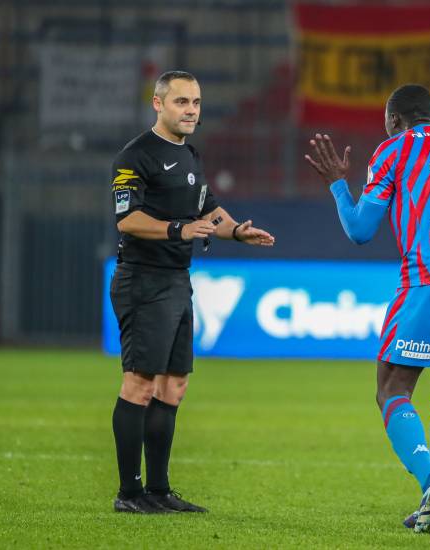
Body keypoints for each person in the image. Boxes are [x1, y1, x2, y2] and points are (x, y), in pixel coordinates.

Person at [304, 84, 430, 534]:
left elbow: (359, 229)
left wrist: (337, 183)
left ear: (395, 121)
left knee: (392, 388)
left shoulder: (394, 150)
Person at [109, 70, 275, 514]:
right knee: (140, 384)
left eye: (197, 103)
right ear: (158, 104)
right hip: (142, 280)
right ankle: (129, 493)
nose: (191, 111)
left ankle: (159, 491)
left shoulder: (190, 155)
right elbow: (128, 219)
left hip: (176, 281)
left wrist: (237, 230)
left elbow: (205, 208)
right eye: (182, 102)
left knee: (174, 385)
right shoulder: (135, 156)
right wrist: (179, 229)